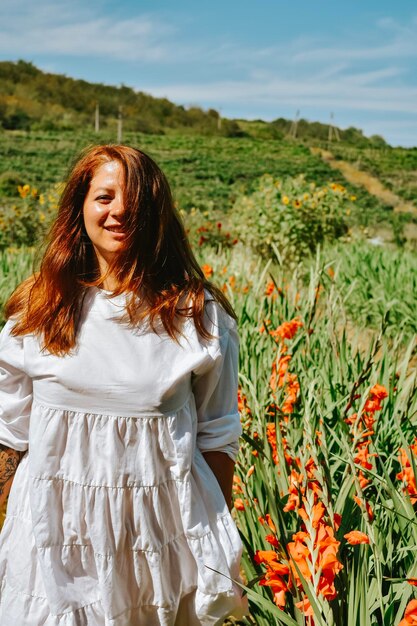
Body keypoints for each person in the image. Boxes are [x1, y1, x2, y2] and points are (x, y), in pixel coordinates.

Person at [0, 145, 247, 625]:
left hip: (155, 539)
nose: (118, 212)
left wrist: (215, 539)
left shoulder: (195, 316)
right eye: (104, 197)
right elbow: (9, 436)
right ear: (81, 208)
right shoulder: (38, 312)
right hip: (53, 537)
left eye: (134, 201)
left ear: (155, 213)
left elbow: (217, 435)